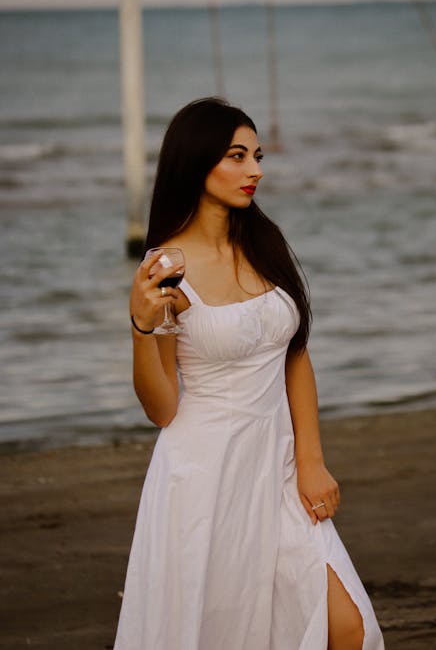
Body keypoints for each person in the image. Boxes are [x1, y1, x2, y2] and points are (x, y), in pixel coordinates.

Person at [114, 98, 384, 650]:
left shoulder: (263, 243)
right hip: (206, 481)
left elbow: (295, 354)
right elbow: (162, 407)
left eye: (256, 155)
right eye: (237, 156)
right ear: (197, 162)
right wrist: (141, 329)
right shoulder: (167, 270)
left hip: (280, 468)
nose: (255, 169)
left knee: (348, 628)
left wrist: (310, 461)